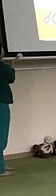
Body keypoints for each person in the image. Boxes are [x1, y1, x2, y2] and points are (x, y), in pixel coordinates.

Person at [0, 42, 18, 178]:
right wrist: (12, 65)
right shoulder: (3, 68)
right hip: (1, 104)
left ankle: (1, 165)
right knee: (1, 137)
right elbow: (11, 78)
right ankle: (0, 169)